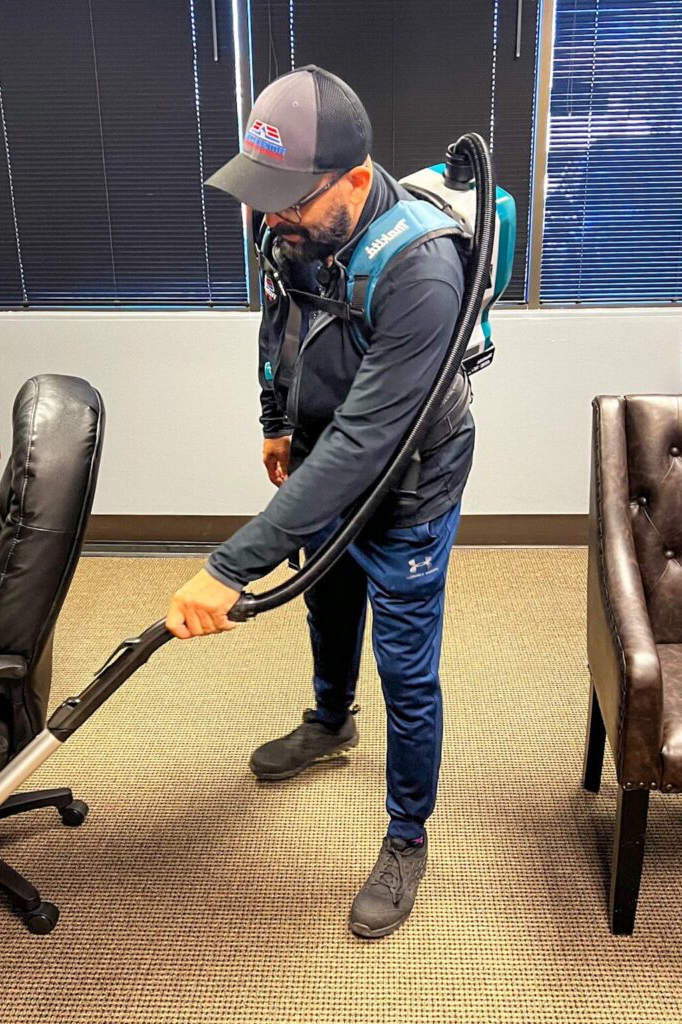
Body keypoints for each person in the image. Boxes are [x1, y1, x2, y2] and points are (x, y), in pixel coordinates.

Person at [166, 65, 474, 939]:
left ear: (353, 176)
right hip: (321, 446)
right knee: (325, 599)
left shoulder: (423, 268)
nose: (271, 217)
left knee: (407, 668)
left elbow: (367, 446)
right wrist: (276, 418)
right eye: (264, 198)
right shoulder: (288, 223)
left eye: (290, 200)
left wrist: (230, 568)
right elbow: (280, 320)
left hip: (409, 475)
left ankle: (407, 836)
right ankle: (330, 723)